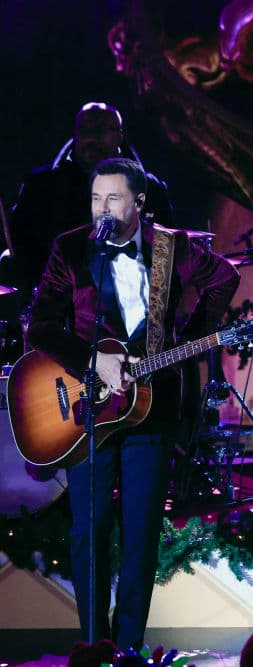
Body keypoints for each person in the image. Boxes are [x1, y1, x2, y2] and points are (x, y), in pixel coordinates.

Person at [26, 157, 239, 649]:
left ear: (139, 202)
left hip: (151, 407)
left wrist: (190, 338)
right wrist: (92, 360)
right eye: (95, 198)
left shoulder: (172, 247)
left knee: (141, 533)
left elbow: (224, 278)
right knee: (90, 530)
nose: (102, 208)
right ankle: (93, 646)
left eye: (113, 198)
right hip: (87, 412)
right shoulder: (70, 249)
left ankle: (127, 650)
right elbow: (40, 326)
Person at [7, 102, 172, 292]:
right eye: (84, 131)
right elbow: (18, 246)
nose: (91, 138)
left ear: (120, 136)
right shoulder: (41, 185)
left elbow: (167, 255)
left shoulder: (150, 188)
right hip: (56, 299)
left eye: (100, 130)